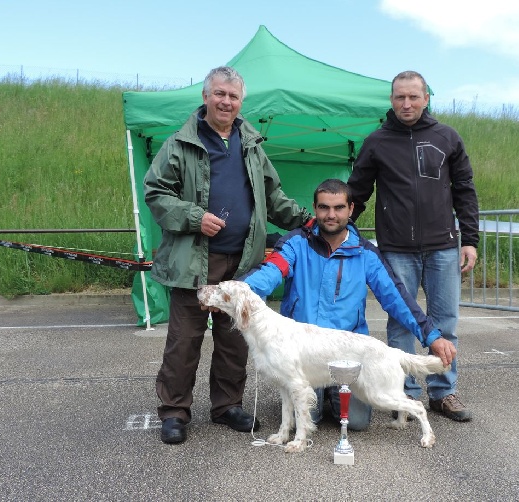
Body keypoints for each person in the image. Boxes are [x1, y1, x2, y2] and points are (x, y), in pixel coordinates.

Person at [144, 66, 311, 444]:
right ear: (205, 97)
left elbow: (274, 196)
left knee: (235, 340)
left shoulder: (251, 145)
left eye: (233, 96)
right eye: (219, 94)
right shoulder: (180, 144)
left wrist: (308, 221)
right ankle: (173, 412)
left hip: (242, 263)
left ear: (240, 102)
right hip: (193, 261)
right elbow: (156, 192)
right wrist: (193, 217)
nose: (226, 102)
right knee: (184, 341)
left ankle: (227, 406)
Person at [241, 178, 457, 430]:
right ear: (314, 207)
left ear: (351, 209)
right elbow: (268, 274)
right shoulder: (295, 244)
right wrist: (234, 291)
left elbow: (398, 299)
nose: (330, 215)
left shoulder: (366, 254)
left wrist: (432, 336)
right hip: (305, 352)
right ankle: (322, 396)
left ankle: (333, 394)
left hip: (349, 354)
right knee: (311, 414)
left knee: (356, 423)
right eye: (323, 207)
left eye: (338, 208)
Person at [347, 70, 479, 422]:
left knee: (445, 322)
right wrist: (339, 231)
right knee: (401, 324)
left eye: (413, 97)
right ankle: (403, 393)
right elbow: (357, 192)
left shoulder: (447, 137)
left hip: (443, 248)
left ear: (426, 98)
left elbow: (465, 190)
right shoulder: (376, 141)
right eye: (399, 97)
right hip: (396, 249)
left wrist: (470, 241)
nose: (406, 103)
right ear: (391, 100)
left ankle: (444, 392)